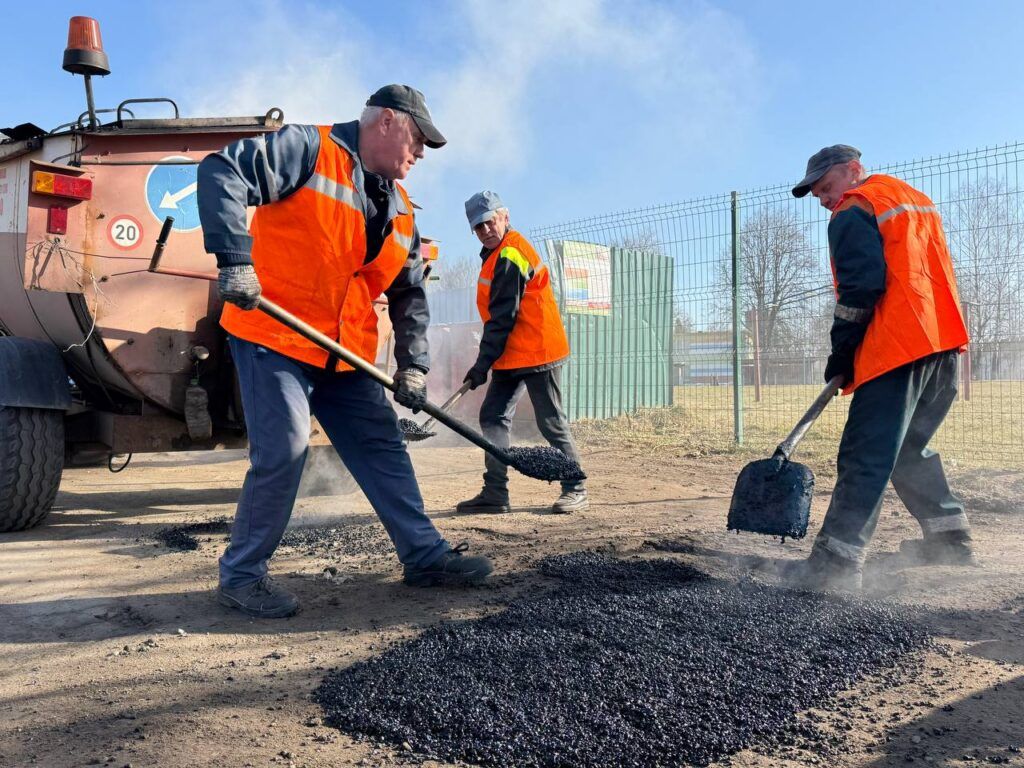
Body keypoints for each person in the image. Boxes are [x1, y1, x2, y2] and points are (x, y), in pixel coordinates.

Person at [197, 85, 492, 618]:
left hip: (342, 354)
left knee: (382, 447)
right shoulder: (309, 150)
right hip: (274, 337)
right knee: (285, 452)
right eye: (419, 139)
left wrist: (415, 367)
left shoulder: (402, 210)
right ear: (386, 122)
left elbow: (409, 296)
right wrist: (234, 259)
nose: (421, 153)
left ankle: (424, 558)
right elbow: (222, 169)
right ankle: (241, 576)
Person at [786, 144, 974, 591]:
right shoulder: (910, 199)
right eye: (817, 195)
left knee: (866, 452)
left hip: (898, 347)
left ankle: (834, 564)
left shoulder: (854, 209)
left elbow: (861, 287)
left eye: (826, 187)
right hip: (942, 341)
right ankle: (950, 540)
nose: (824, 200)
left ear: (853, 171)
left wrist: (843, 350)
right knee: (908, 447)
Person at [455, 191, 587, 515]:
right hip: (513, 353)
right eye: (478, 227)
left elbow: (502, 318)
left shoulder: (511, 254)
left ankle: (576, 487)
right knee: (492, 416)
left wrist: (481, 365)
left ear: (505, 217)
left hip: (538, 350)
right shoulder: (493, 254)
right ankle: (495, 493)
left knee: (551, 422)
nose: (485, 230)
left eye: (490, 221)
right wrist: (487, 362)